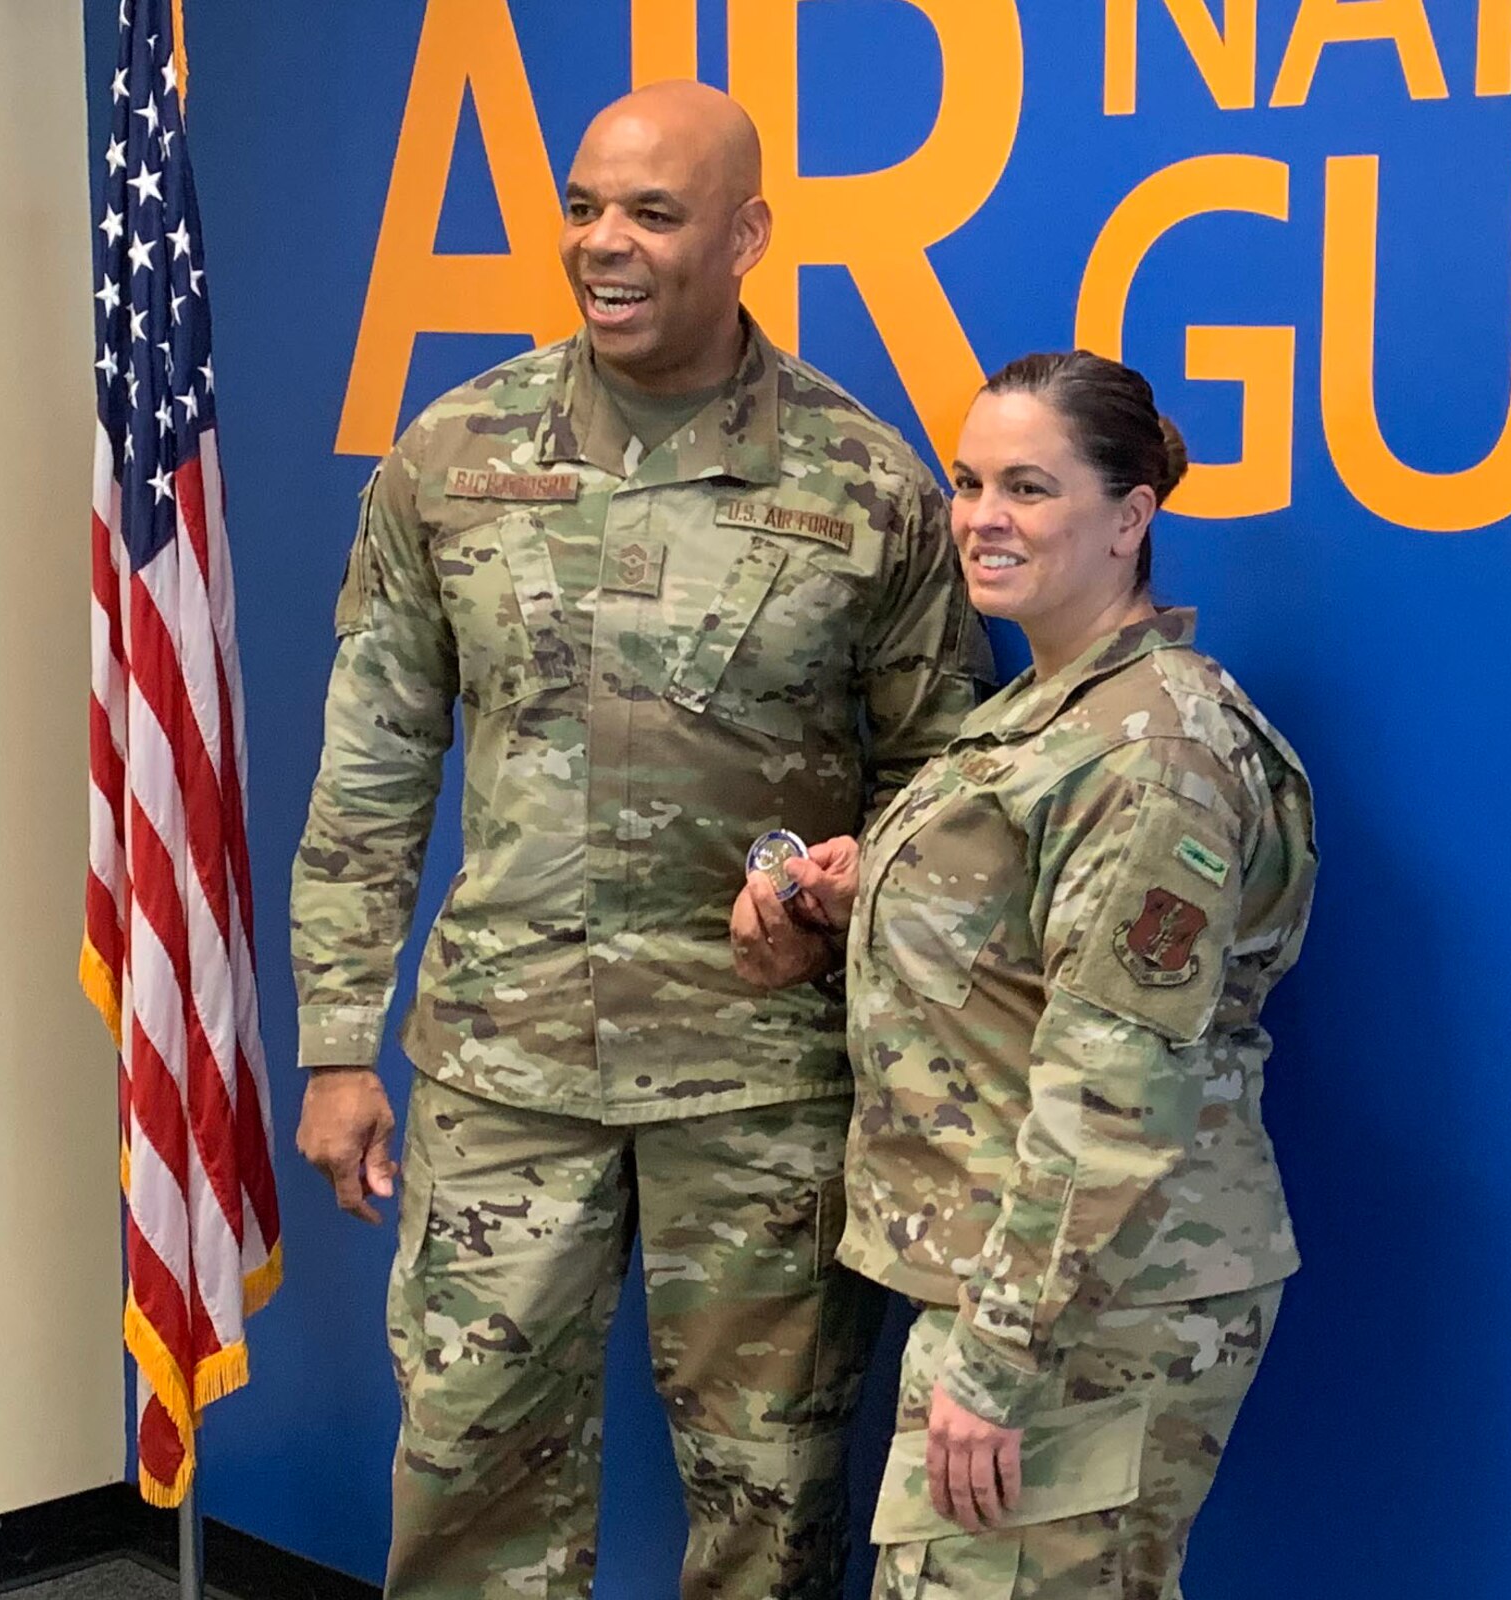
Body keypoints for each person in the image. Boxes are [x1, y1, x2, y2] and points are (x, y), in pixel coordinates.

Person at [290, 81, 993, 1600]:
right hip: (504, 1070)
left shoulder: (865, 485)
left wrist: (843, 894)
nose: (604, 244)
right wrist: (339, 1040)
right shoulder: (454, 457)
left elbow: (945, 785)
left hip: (764, 1083)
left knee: (771, 1503)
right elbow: (373, 759)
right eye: (583, 207)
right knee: (468, 1479)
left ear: (745, 236)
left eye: (653, 214)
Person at [736, 352, 1317, 1597]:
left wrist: (995, 1360)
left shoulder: (1148, 752)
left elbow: (1111, 1089)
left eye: (1027, 488)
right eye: (966, 481)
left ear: (1128, 519)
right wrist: (866, 898)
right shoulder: (1048, 711)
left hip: (1083, 1312)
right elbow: (1024, 953)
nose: (980, 517)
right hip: (1024, 1284)